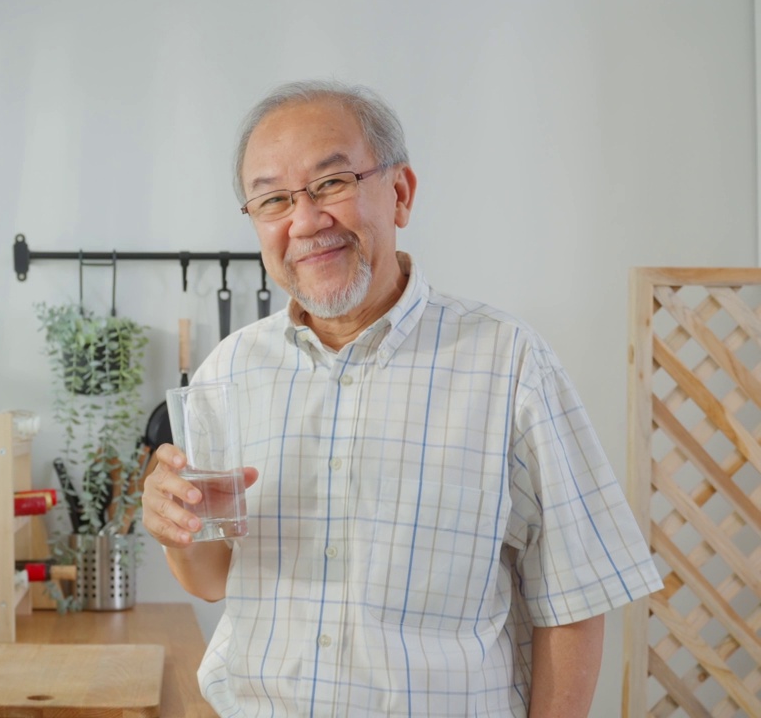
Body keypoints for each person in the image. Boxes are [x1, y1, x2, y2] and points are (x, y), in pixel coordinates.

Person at [141, 79, 662, 717]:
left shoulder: (509, 363)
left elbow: (576, 598)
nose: (304, 221)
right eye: (273, 200)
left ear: (400, 193)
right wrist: (175, 530)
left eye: (331, 183)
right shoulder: (230, 369)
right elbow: (212, 578)